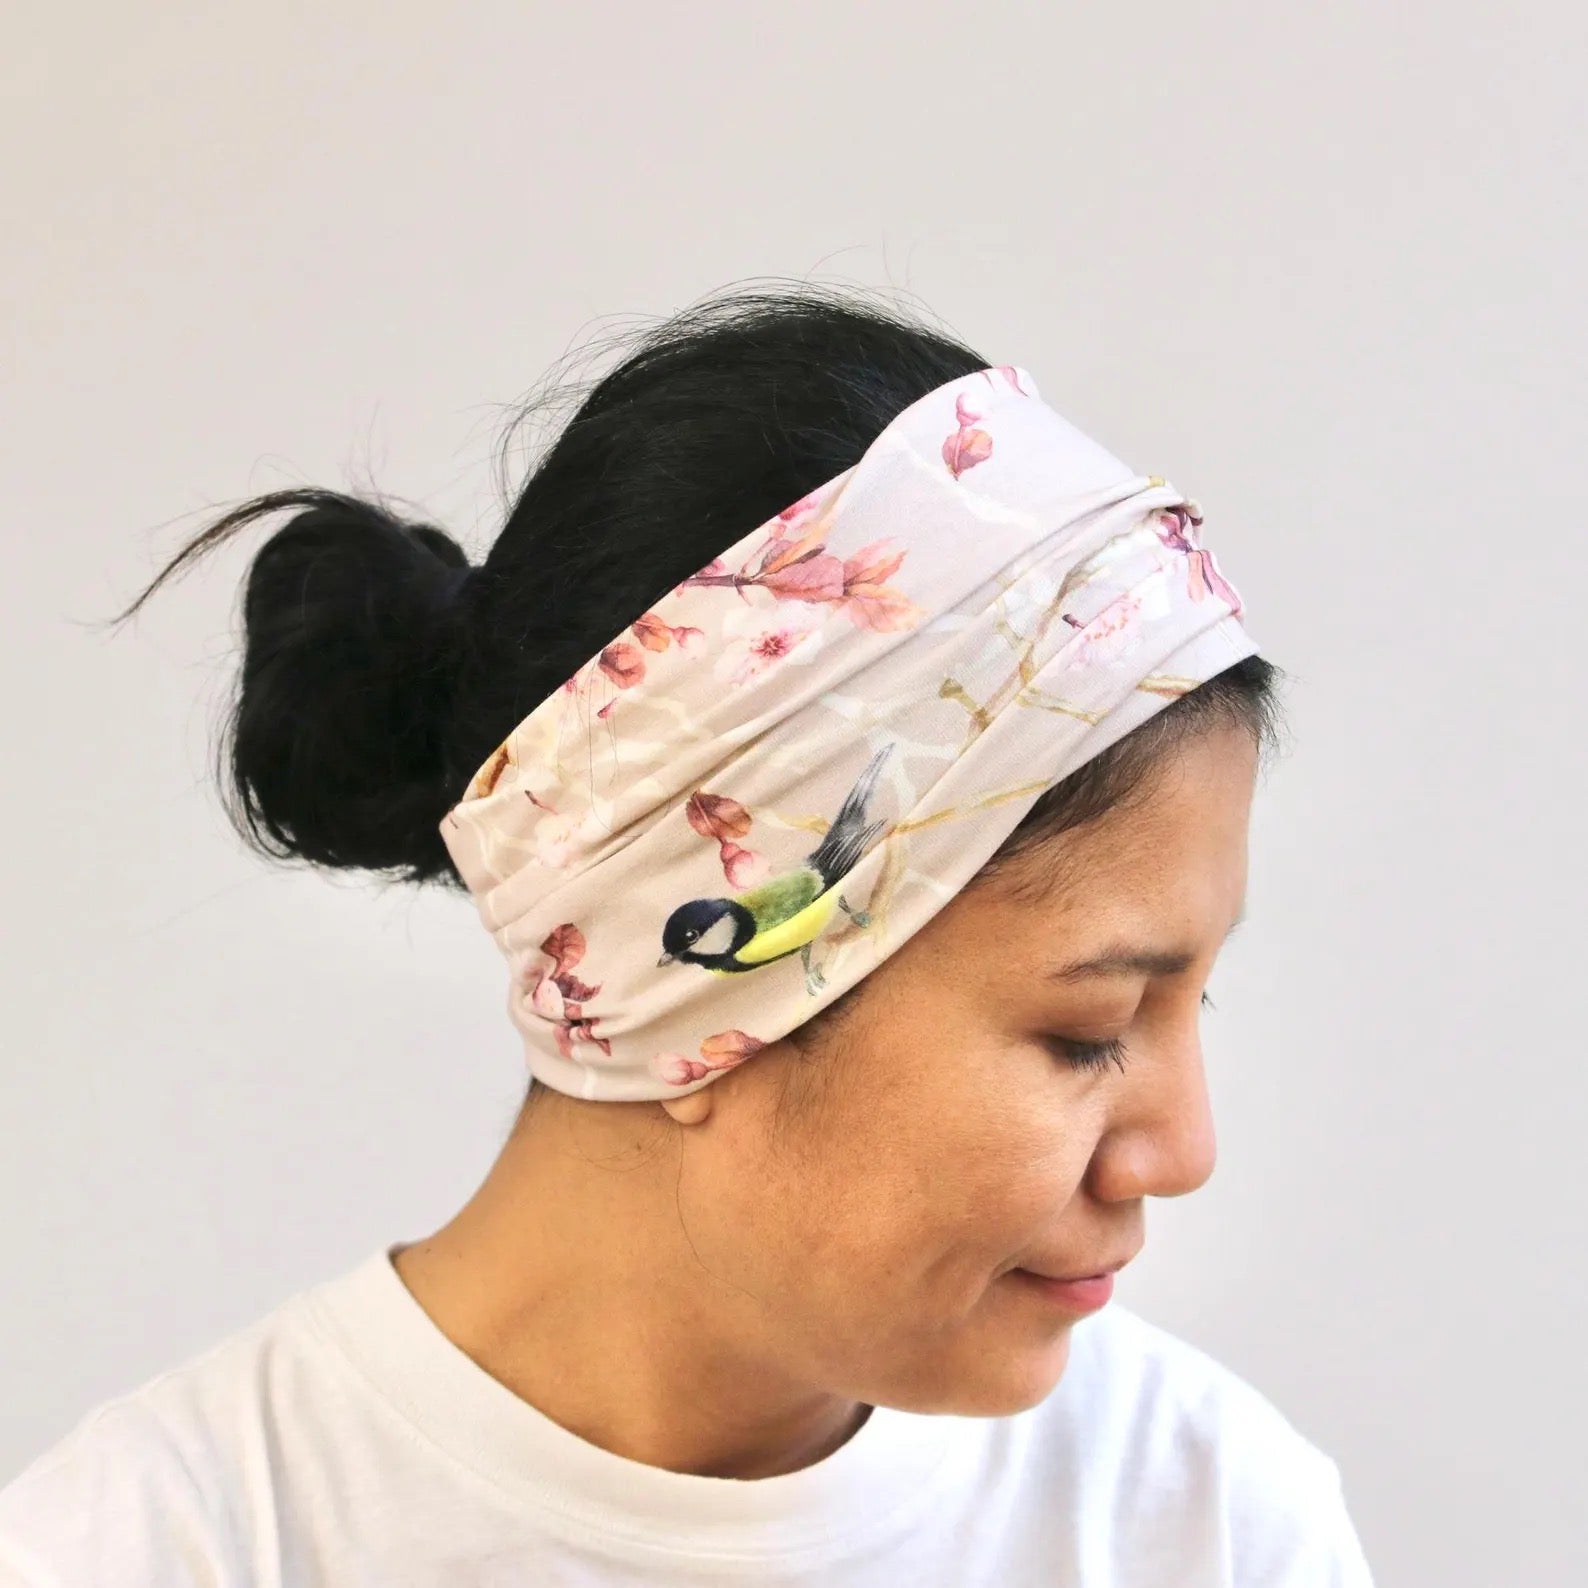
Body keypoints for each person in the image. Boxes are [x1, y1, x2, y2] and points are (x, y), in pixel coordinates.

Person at [0, 286, 1375, 1585]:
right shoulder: (159, 1549)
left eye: (1194, 1001)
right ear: (698, 990)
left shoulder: (1204, 1523)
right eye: (1089, 1031)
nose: (1184, 1152)